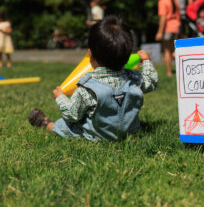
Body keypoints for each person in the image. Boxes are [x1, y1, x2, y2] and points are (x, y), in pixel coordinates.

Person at [28, 16, 158, 142]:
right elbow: (151, 81)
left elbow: (72, 115)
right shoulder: (133, 79)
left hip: (96, 137)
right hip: (131, 133)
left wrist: (60, 97)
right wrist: (146, 60)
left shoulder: (88, 88)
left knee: (65, 124)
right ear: (128, 55)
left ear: (90, 54)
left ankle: (48, 124)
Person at [156, 0, 181, 77]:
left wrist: (160, 32)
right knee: (173, 50)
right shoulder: (175, 1)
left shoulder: (162, 1)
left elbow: (163, 18)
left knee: (166, 51)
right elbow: (178, 16)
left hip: (167, 28)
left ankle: (169, 72)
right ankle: (180, 67)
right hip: (176, 27)